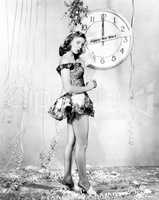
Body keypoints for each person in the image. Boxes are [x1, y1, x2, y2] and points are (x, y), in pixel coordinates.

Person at [48, 31, 97, 194]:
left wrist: (86, 63)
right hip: (76, 102)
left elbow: (84, 73)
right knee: (82, 145)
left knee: (72, 142)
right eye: (77, 43)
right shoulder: (66, 59)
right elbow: (68, 87)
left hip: (77, 101)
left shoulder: (77, 59)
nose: (80, 46)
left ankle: (68, 178)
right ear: (69, 42)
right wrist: (88, 87)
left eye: (82, 44)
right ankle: (84, 182)